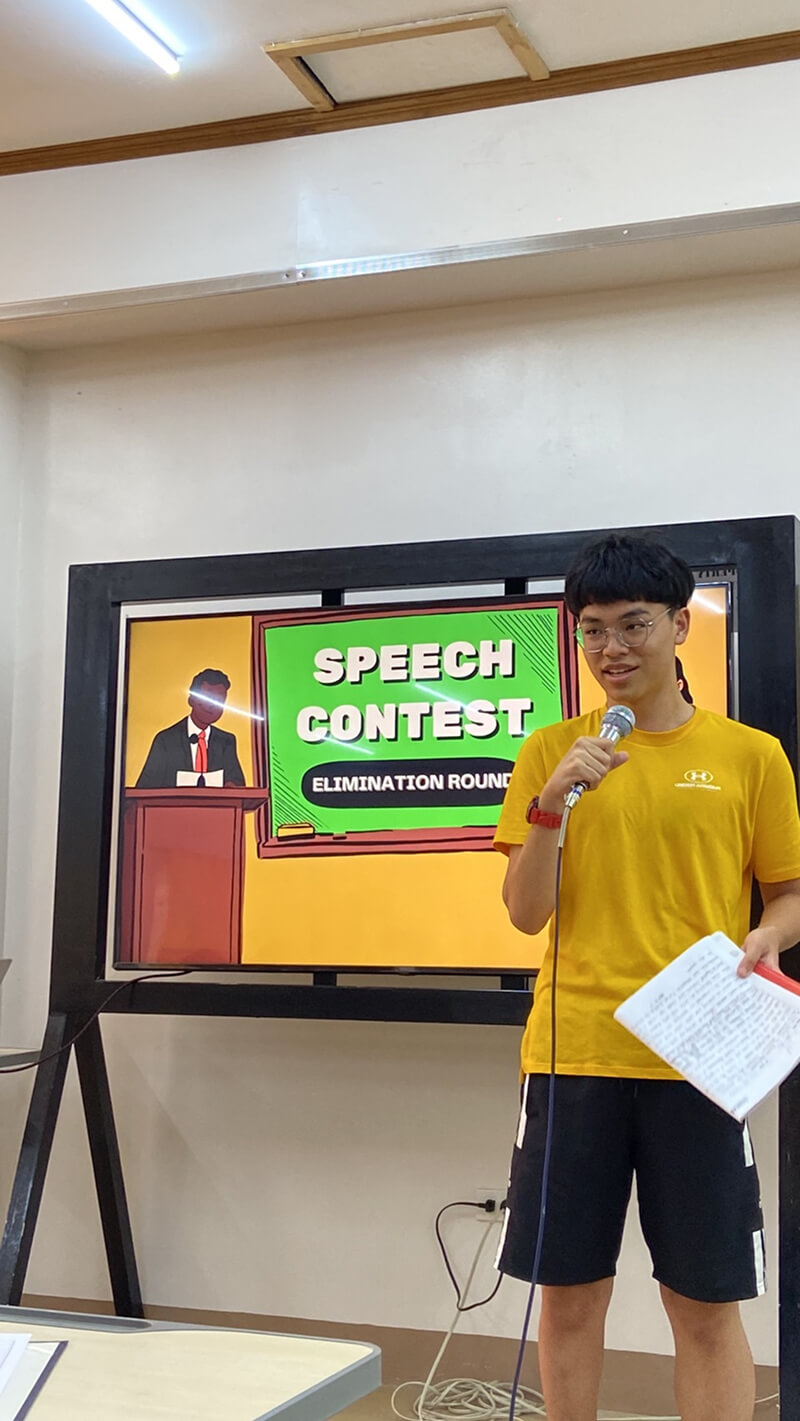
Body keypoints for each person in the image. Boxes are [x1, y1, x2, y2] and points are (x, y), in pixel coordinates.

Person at [494, 532, 800, 1421]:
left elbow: (789, 894)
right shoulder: (551, 751)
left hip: (699, 1060)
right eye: (592, 630)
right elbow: (524, 913)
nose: (612, 648)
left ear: (679, 626)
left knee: (704, 1303)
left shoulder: (751, 755)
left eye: (634, 624)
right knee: (569, 1296)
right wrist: (551, 806)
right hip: (575, 1057)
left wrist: (770, 935)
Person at [136, 668, 246, 788]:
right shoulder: (165, 740)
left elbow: (236, 782)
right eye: (207, 697)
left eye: (219, 700)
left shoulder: (226, 741)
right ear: (191, 699)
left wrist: (230, 786)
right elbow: (145, 787)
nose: (212, 705)